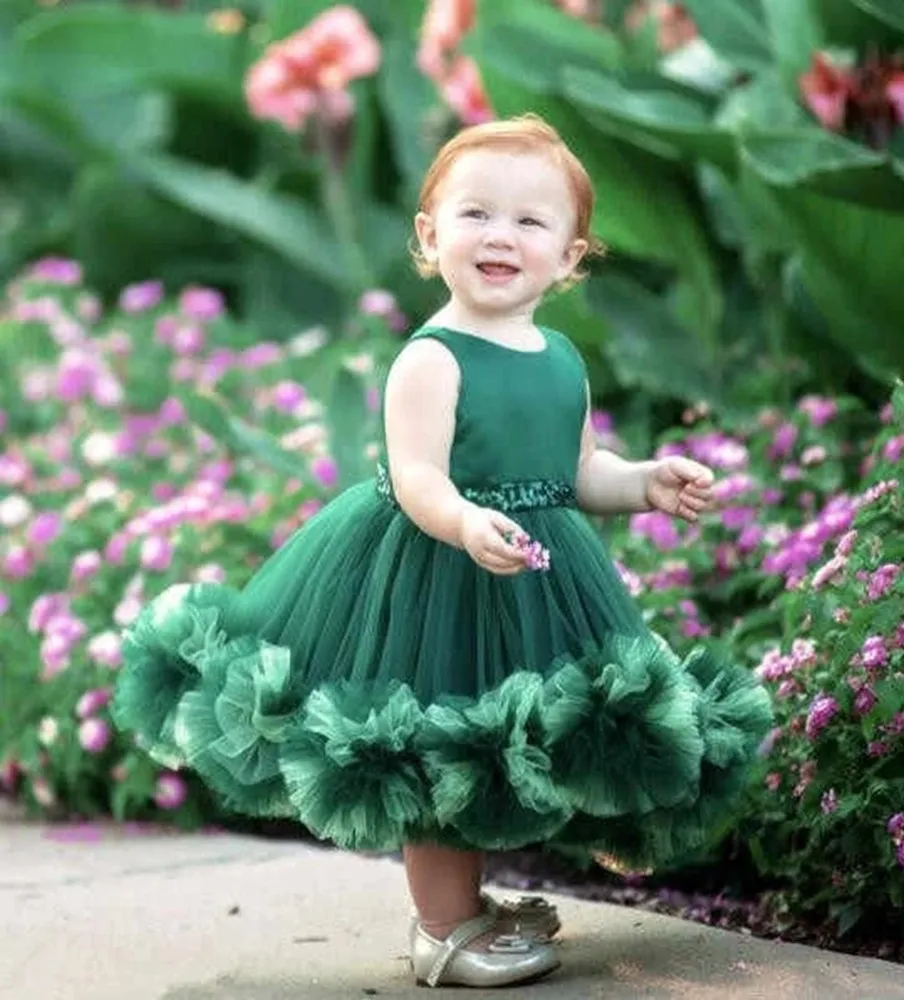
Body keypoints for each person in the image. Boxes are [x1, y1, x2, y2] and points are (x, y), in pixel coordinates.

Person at [111, 113, 773, 989]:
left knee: (500, 742)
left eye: (531, 222)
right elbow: (418, 477)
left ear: (572, 256)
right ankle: (442, 929)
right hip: (435, 570)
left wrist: (643, 480)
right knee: (436, 738)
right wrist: (463, 522)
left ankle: (469, 904)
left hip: (533, 574)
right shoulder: (432, 358)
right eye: (476, 215)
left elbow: (575, 473)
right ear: (430, 236)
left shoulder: (562, 358)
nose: (501, 236)